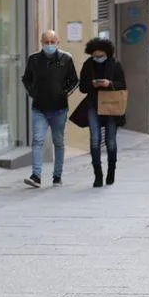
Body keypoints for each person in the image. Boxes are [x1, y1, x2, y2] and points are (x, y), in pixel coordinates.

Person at [21, 31, 79, 188]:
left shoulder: (66, 58)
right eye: (46, 42)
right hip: (39, 108)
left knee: (58, 142)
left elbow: (74, 80)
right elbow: (26, 79)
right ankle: (36, 176)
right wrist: (33, 92)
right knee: (37, 140)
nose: (49, 44)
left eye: (52, 41)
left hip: (59, 109)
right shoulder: (33, 59)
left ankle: (57, 176)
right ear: (41, 42)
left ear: (58, 42)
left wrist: (63, 93)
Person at [76, 38, 126, 188]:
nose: (98, 58)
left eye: (101, 56)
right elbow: (82, 87)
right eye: (95, 56)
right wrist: (92, 84)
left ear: (107, 53)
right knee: (95, 140)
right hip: (93, 105)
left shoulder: (115, 64)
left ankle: (111, 171)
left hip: (111, 106)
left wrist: (109, 83)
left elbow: (122, 85)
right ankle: (98, 174)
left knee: (110, 141)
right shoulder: (88, 65)